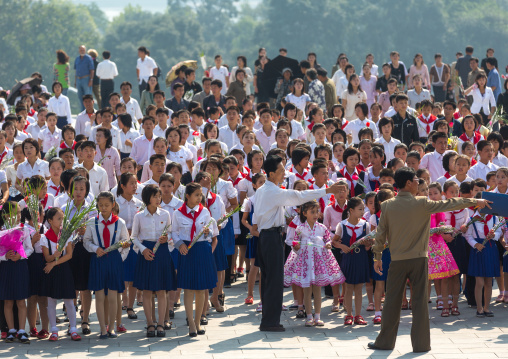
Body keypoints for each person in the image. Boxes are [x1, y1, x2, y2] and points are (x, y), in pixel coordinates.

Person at [369, 166, 491, 353]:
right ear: (408, 183)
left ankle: (385, 342)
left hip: (397, 260)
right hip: (419, 260)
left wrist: (377, 256)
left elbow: (380, 235)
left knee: (392, 303)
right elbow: (451, 203)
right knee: (420, 303)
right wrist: (476, 201)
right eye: (416, 180)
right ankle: (421, 344)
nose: (418, 183)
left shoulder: (387, 205)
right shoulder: (422, 203)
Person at [253, 155, 345, 331]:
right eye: (281, 171)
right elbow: (299, 196)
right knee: (273, 280)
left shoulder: (262, 190)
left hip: (266, 237)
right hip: (271, 238)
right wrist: (327, 190)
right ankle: (270, 322)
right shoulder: (273, 191)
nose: (284, 174)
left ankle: (268, 319)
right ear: (271, 174)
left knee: (268, 279)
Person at [284, 200, 345, 327]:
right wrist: (296, 246)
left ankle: (317, 316)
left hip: (318, 262)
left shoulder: (322, 228)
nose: (316, 214)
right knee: (307, 290)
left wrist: (328, 244)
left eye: (317, 211)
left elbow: (328, 239)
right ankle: (309, 317)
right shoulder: (300, 228)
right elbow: (294, 241)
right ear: (305, 213)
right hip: (305, 262)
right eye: (312, 212)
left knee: (317, 290)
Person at [172, 183, 218, 337]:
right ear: (187, 196)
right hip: (187, 251)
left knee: (201, 289)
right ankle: (190, 322)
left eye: (200, 195)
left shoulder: (204, 211)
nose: (199, 198)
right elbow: (174, 233)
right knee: (189, 289)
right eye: (196, 195)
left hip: (202, 250)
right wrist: (179, 245)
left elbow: (210, 231)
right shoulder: (178, 213)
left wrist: (207, 232)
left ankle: (198, 321)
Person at [84, 191, 129, 338]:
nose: (103, 208)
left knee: (112, 295)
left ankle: (111, 327)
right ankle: (102, 328)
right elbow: (86, 241)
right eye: (100, 205)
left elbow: (125, 242)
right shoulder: (92, 222)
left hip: (114, 260)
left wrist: (119, 258)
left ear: (113, 205)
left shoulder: (119, 222)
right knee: (99, 295)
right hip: (98, 259)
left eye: (107, 205)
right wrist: (94, 248)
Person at [132, 185, 176, 338]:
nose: (159, 199)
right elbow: (133, 237)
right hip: (146, 251)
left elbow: (171, 234)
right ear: (147, 198)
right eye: (155, 196)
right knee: (147, 290)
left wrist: (167, 239)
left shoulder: (165, 214)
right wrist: (143, 249)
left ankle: (161, 323)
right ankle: (150, 322)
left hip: (162, 252)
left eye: (159, 196)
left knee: (162, 290)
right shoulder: (139, 216)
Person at [40, 207, 80, 341]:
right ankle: (54, 330)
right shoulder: (45, 237)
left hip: (63, 269)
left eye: (62, 218)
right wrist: (53, 256)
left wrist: (54, 262)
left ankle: (73, 328)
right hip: (51, 272)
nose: (61, 221)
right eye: (58, 219)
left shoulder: (66, 234)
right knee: (51, 301)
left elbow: (69, 255)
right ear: (50, 221)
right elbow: (47, 258)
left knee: (69, 299)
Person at [74, 45, 95, 112]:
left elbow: (92, 70)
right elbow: (76, 70)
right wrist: (75, 81)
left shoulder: (89, 58)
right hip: (78, 79)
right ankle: (82, 111)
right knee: (80, 97)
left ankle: (89, 111)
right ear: (79, 50)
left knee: (87, 96)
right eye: (81, 50)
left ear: (85, 50)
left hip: (86, 79)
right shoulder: (77, 59)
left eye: (83, 50)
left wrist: (91, 80)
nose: (82, 51)